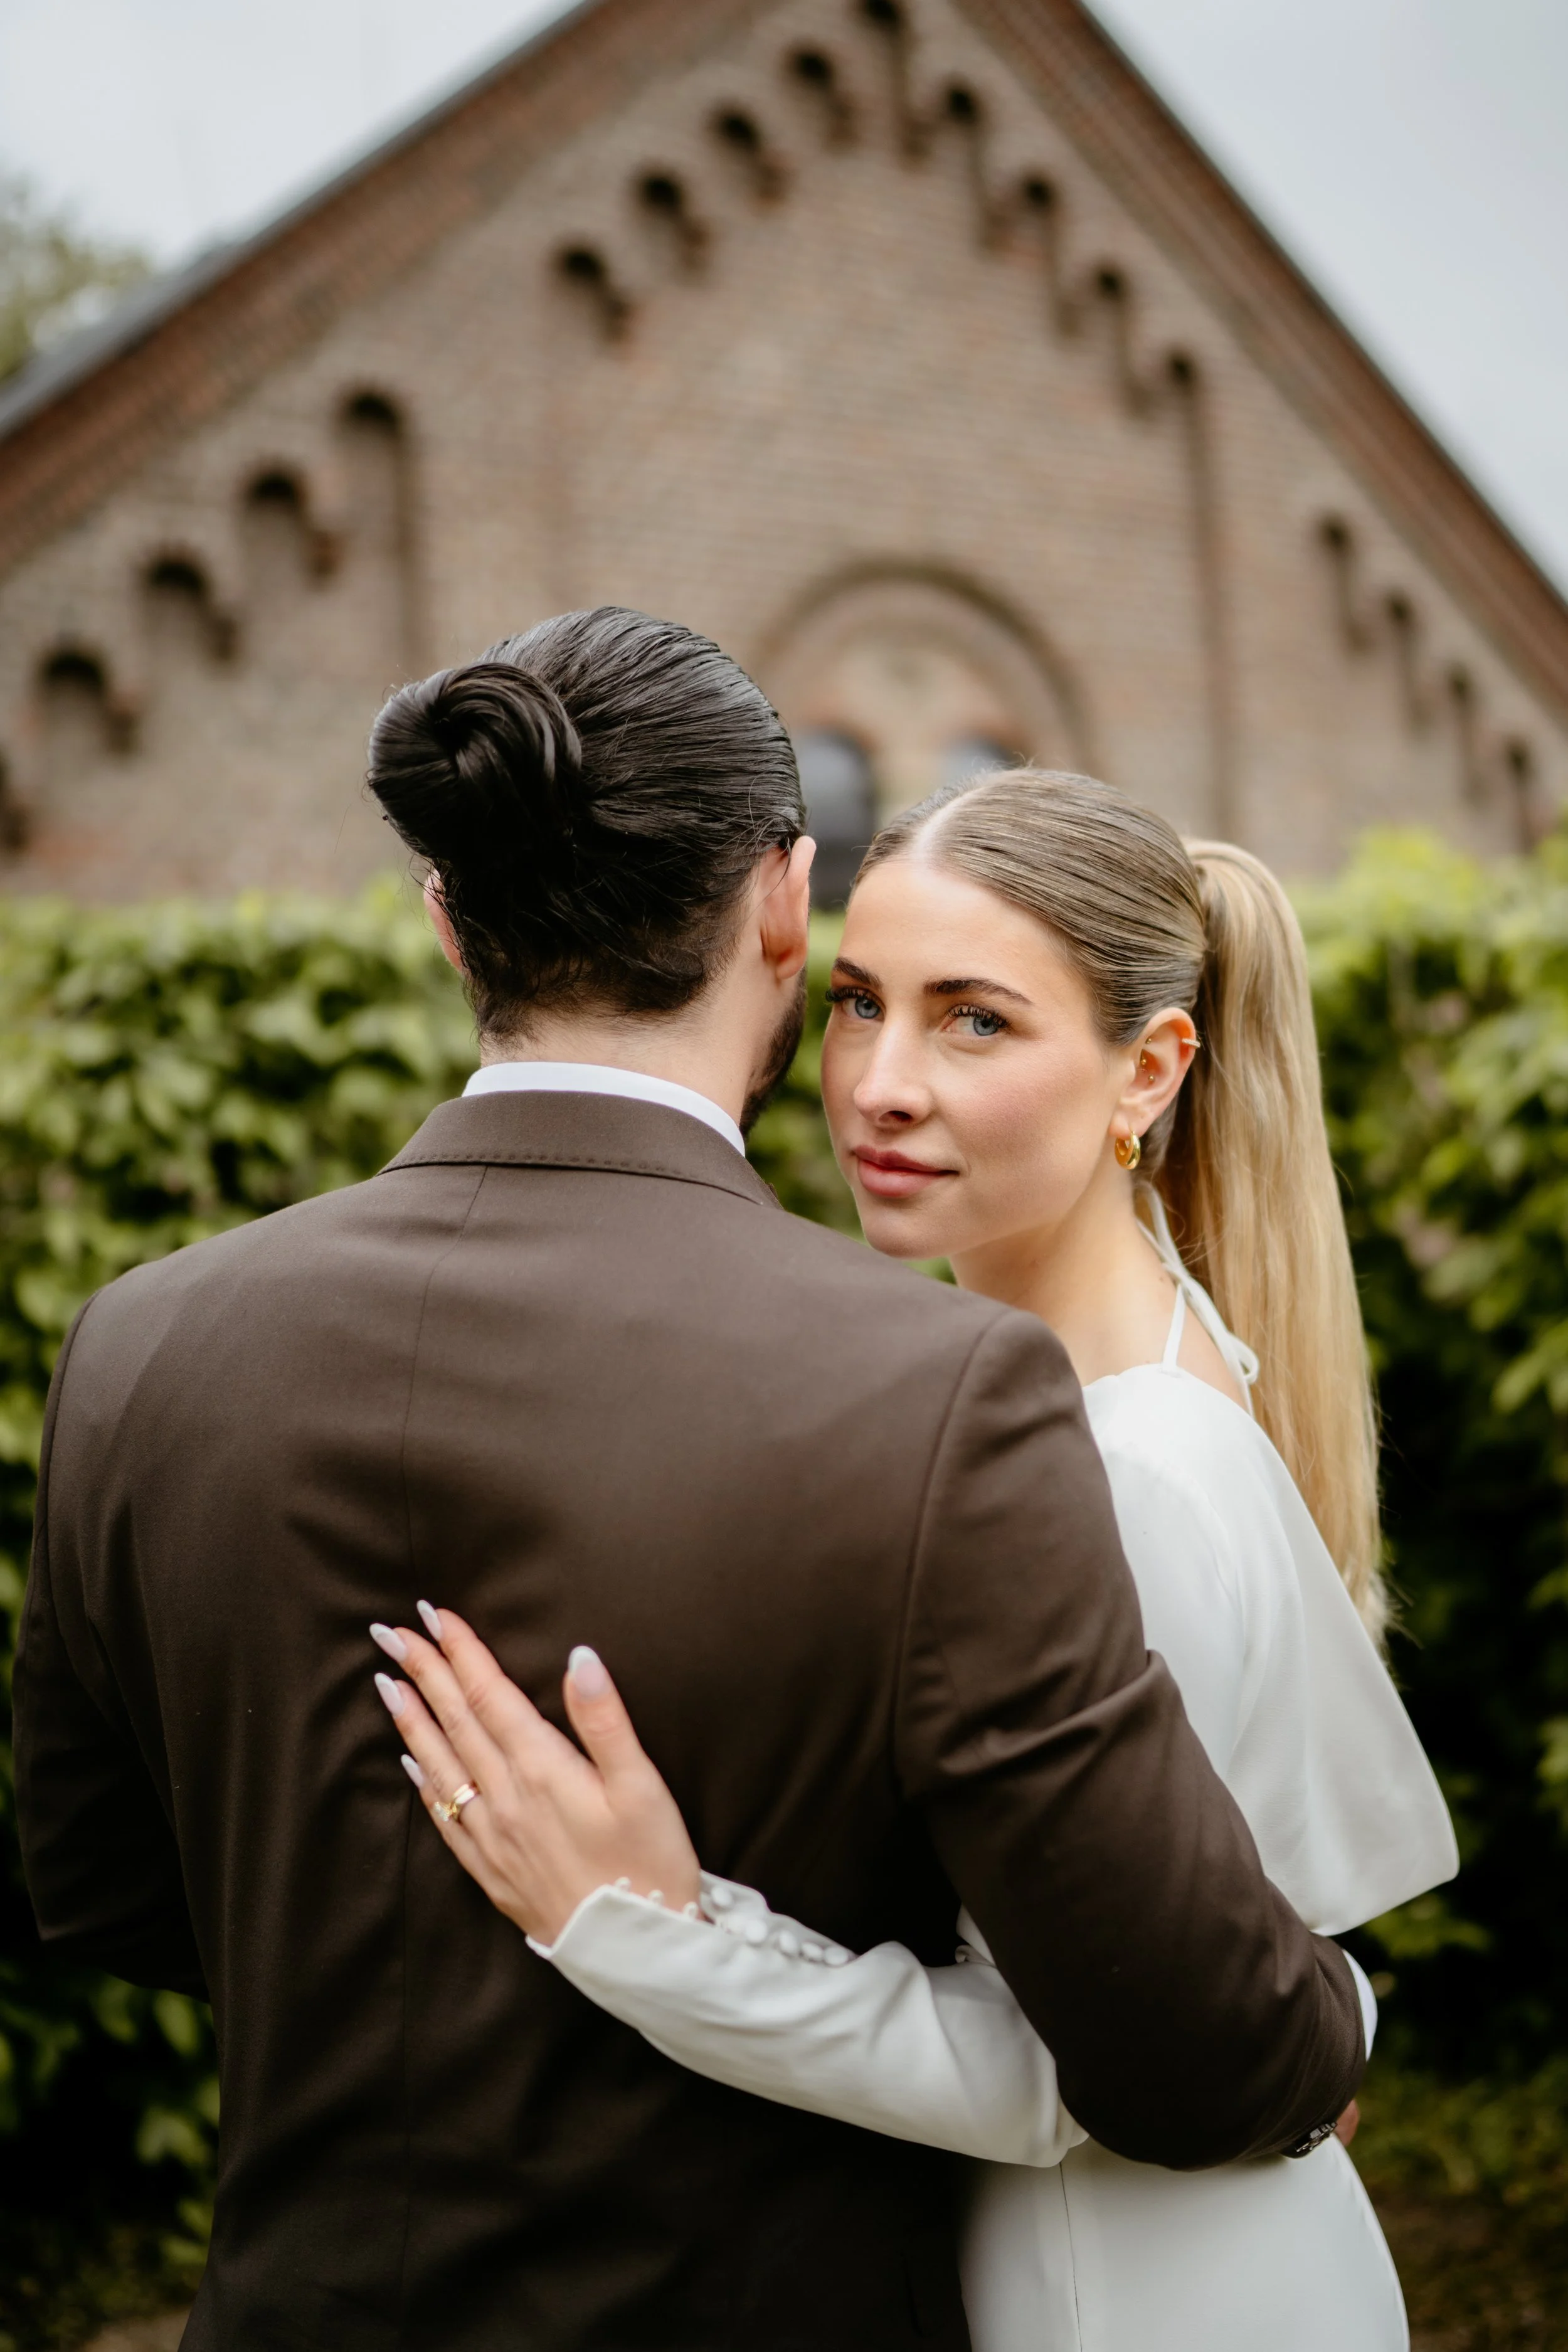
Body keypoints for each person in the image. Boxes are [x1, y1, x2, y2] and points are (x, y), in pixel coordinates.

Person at [18, 617, 1366, 2352]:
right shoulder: (937, 1391)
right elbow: (1197, 2055)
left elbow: (102, 1883)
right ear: (786, 906)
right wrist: (1334, 2011)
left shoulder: (138, 1344)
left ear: (445, 921)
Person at [373, 766, 1457, 2351]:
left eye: (974, 1021)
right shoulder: (1112, 1362)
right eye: (858, 1003)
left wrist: (651, 1926)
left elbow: (1080, 2060)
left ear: (1145, 1073)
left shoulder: (1120, 1462)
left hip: (1139, 2292)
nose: (878, 1083)